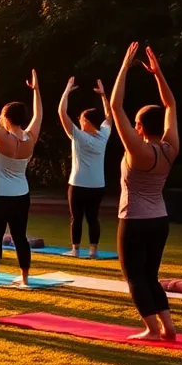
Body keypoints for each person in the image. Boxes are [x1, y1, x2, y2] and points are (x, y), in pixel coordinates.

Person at [108, 43, 180, 341]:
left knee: (134, 276)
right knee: (150, 275)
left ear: (138, 127)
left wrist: (125, 67)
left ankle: (151, 329)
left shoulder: (137, 150)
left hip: (134, 220)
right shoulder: (170, 148)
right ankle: (167, 326)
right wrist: (157, 73)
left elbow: (114, 106)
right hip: (159, 220)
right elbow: (171, 106)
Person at [0, 62, 44, 286]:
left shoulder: (4, 140)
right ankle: (24, 279)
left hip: (0, 198)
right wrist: (36, 91)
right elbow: (39, 114)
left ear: (5, 118)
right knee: (20, 238)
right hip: (21, 197)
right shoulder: (30, 139)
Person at [58, 77, 112, 258]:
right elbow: (110, 115)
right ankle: (93, 251)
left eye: (81, 119)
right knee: (93, 218)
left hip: (79, 184)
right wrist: (104, 96)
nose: (79, 121)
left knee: (77, 218)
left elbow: (61, 113)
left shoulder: (79, 137)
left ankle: (75, 250)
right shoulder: (104, 134)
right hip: (97, 185)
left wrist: (66, 91)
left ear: (87, 122)